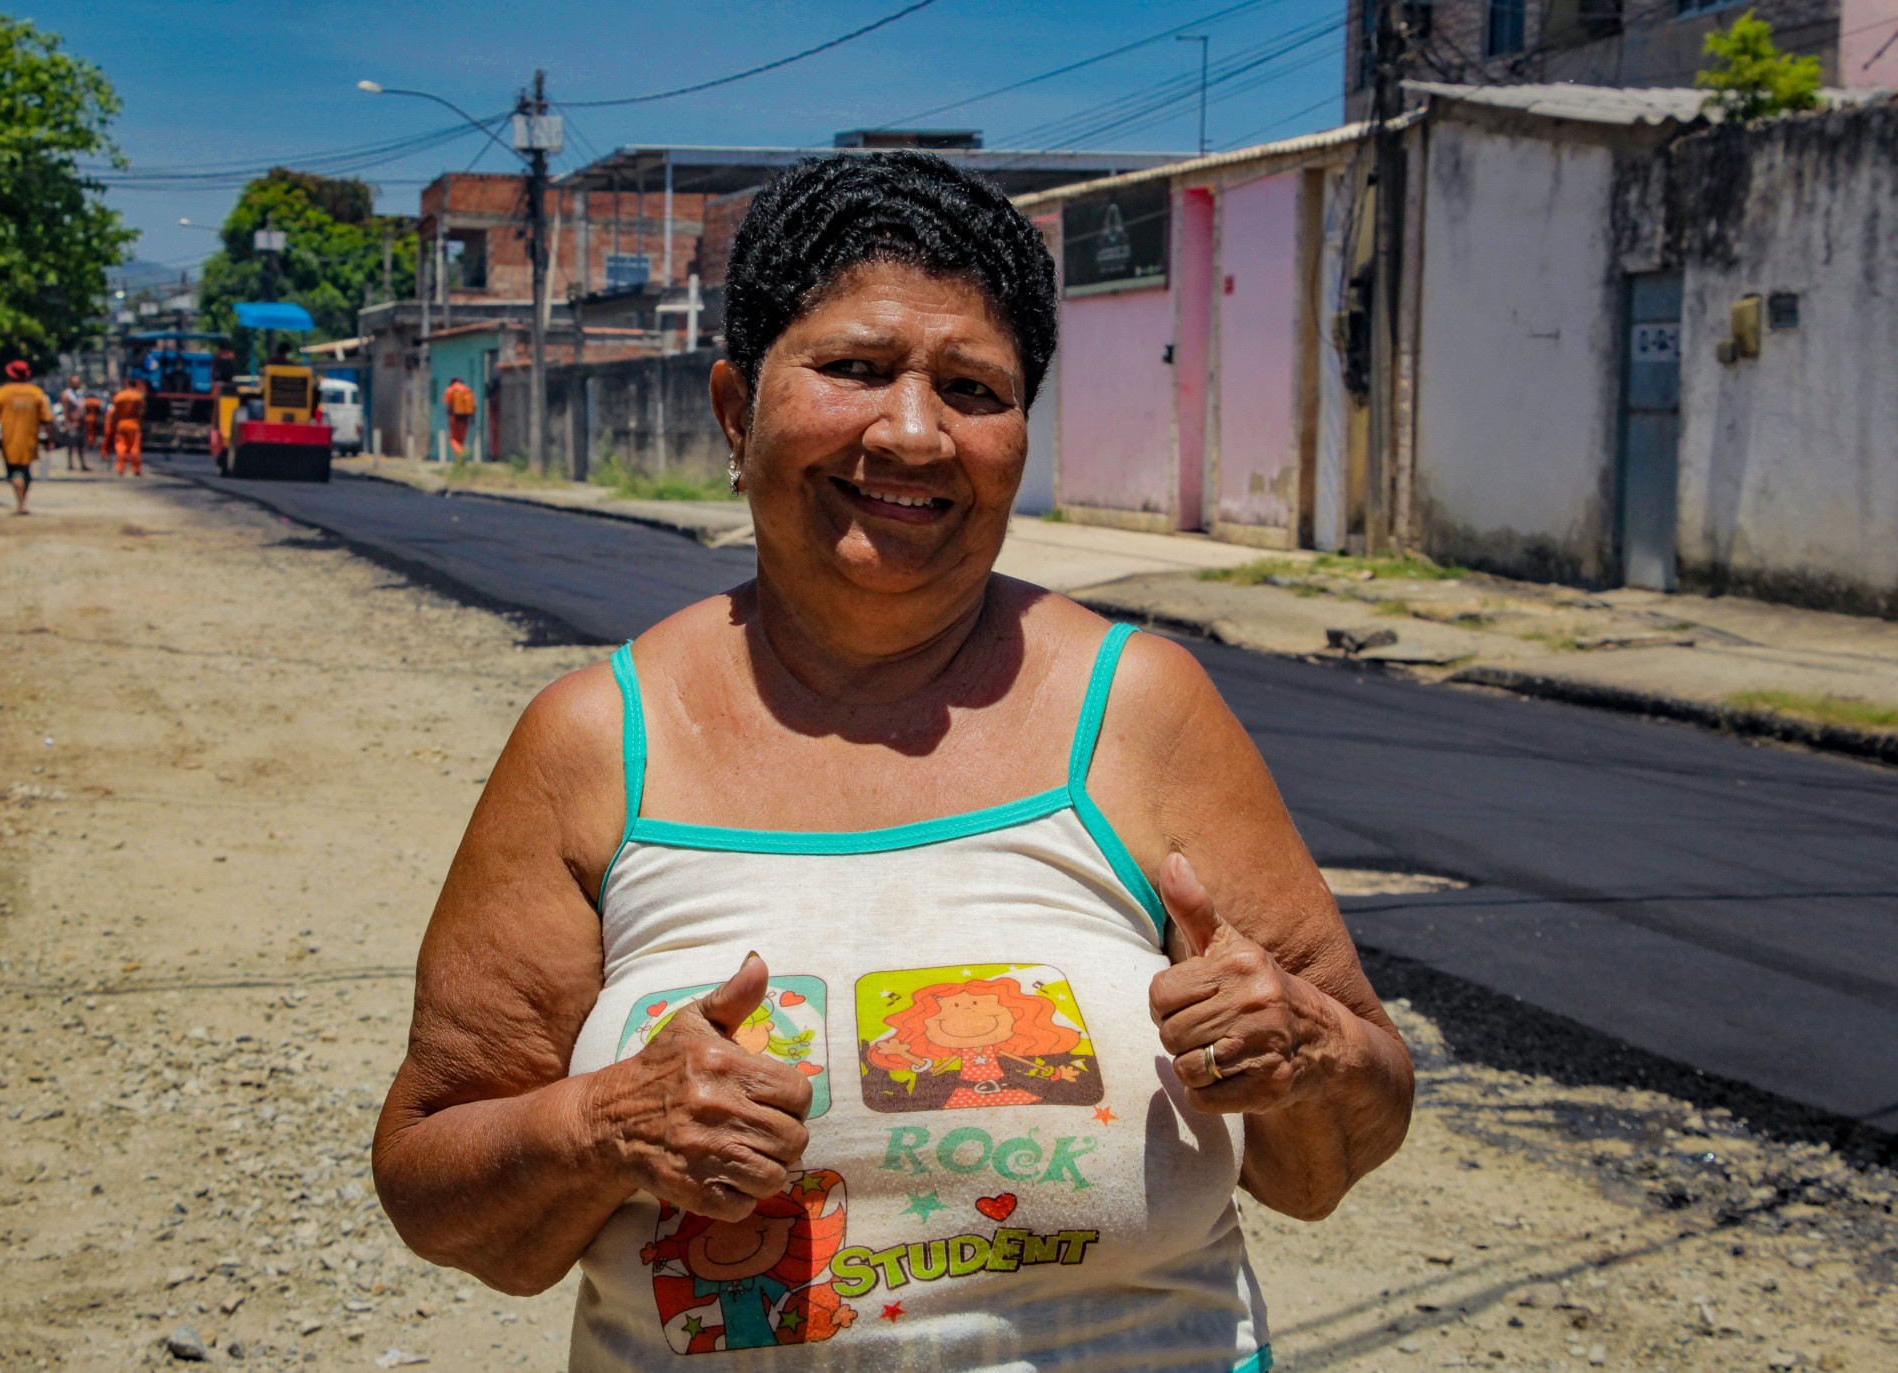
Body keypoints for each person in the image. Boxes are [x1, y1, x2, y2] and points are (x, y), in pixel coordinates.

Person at [373, 152, 1413, 1372]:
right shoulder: (597, 744)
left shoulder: (1142, 709)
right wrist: (600, 1125)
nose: (913, 433)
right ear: (733, 410)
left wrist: (1308, 1051)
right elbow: (437, 1183)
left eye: (973, 387)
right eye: (855, 369)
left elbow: (1338, 1147)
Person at [0, 361, 55, 515]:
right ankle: (23, 502)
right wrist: (50, 439)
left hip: (9, 440)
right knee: (25, 470)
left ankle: (21, 504)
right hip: (30, 439)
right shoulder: (36, 393)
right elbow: (47, 419)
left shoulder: (3, 392)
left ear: (10, 374)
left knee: (14, 471)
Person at [104, 376, 147, 476]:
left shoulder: (119, 396)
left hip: (121, 424)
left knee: (120, 446)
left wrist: (113, 424)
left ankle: (120, 467)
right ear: (135, 385)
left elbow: (115, 413)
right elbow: (142, 411)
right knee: (134, 447)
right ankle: (136, 469)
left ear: (126, 384)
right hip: (134, 424)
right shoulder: (138, 397)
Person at [60, 374, 92, 471]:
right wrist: (67, 423)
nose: (78, 384)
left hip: (81, 423)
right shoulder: (67, 394)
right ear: (71, 383)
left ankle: (82, 464)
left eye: (78, 382)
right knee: (71, 444)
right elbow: (65, 410)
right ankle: (70, 464)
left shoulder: (79, 394)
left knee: (81, 444)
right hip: (72, 422)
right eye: (75, 382)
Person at [443, 376, 476, 458]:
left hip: (454, 419)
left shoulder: (450, 389)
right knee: (461, 441)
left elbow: (447, 403)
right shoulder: (467, 390)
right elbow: (474, 406)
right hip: (465, 419)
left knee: (453, 439)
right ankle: (460, 461)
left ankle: (461, 454)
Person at [81, 388, 105, 460]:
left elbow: (82, 410)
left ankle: (89, 443)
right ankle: (91, 443)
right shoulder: (97, 401)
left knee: (87, 431)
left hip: (87, 418)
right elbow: (101, 410)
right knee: (93, 432)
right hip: (94, 418)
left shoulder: (85, 401)